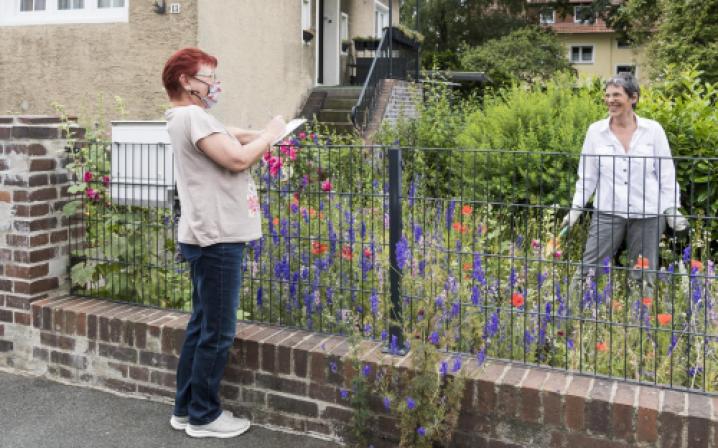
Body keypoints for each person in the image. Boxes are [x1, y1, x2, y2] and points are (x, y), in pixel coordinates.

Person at [161, 47, 285, 439]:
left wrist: (263, 134)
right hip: (218, 238)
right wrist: (270, 134)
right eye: (208, 77)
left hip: (204, 235)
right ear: (186, 81)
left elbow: (229, 135)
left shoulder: (184, 118)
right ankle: (204, 416)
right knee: (218, 331)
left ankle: (185, 409)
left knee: (201, 325)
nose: (214, 84)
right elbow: (237, 159)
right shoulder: (193, 117)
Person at [562, 72, 688, 298]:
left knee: (642, 274)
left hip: (649, 213)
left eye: (616, 95)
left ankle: (639, 318)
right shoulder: (595, 132)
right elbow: (588, 176)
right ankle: (569, 311)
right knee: (589, 268)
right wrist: (576, 209)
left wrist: (671, 208)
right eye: (607, 95)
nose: (610, 100)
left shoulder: (653, 130)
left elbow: (666, 174)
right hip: (607, 211)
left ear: (633, 98)